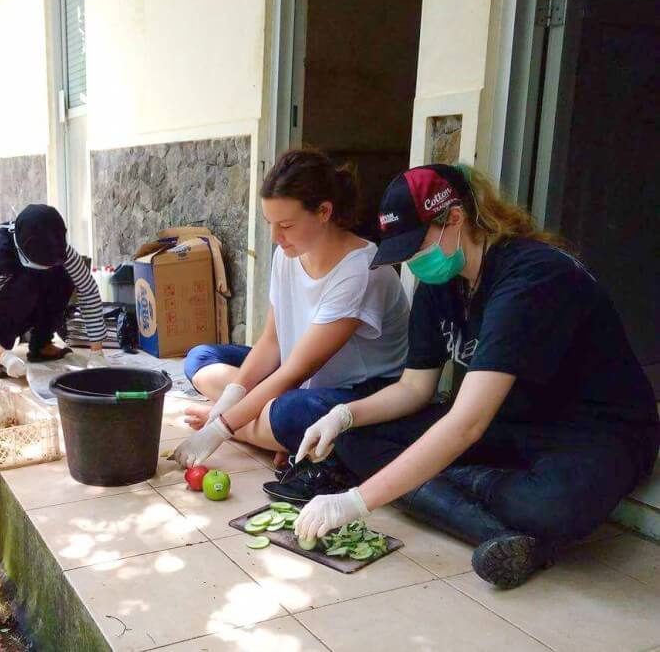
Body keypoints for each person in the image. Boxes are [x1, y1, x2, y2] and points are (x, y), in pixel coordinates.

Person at [293, 164, 659, 588]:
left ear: (455, 218)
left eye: (416, 245)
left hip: (592, 431)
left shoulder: (531, 276)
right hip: (511, 421)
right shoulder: (441, 282)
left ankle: (456, 492)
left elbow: (466, 424)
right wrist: (344, 415)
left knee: (553, 506)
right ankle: (503, 534)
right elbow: (415, 387)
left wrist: (357, 501)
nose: (413, 261)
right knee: (357, 439)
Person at [171, 150, 410, 472]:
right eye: (270, 223)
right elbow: (272, 342)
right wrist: (230, 400)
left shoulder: (361, 270)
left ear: (324, 211)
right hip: (298, 376)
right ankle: (268, 431)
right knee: (200, 357)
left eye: (285, 224)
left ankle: (266, 429)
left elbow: (295, 370)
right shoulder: (288, 253)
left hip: (359, 391)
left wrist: (220, 429)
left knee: (290, 412)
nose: (274, 237)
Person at [0, 203, 107, 377]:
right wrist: (5, 357)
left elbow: (89, 291)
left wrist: (97, 353)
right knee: (23, 286)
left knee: (63, 279)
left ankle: (42, 343)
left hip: (24, 308)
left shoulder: (59, 249)